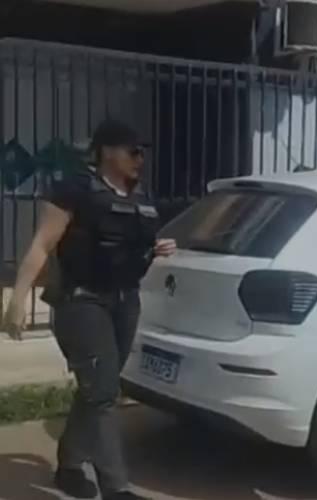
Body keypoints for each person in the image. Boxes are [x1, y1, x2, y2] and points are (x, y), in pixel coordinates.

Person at [2, 119, 177, 500]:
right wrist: (18, 299)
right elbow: (42, 244)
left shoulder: (139, 196)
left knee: (98, 389)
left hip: (125, 301)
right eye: (133, 151)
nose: (140, 159)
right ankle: (116, 487)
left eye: (143, 153)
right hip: (81, 301)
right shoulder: (75, 189)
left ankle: (68, 466)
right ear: (107, 151)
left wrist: (156, 249)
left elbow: (131, 246)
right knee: (102, 395)